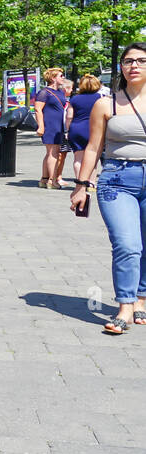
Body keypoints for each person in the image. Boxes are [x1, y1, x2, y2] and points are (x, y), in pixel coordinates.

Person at [70, 44, 146, 335]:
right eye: (128, 61)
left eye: (141, 60)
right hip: (117, 179)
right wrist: (81, 185)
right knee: (128, 244)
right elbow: (93, 147)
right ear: (121, 68)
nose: (134, 66)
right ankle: (125, 307)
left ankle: (141, 299)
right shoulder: (107, 104)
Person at [34, 66, 69, 189]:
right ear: (53, 78)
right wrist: (41, 126)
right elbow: (38, 109)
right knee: (53, 153)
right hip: (50, 125)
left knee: (51, 153)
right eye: (61, 76)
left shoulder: (60, 92)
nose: (63, 77)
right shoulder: (44, 92)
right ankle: (51, 180)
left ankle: (44, 179)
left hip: (59, 125)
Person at [66, 75, 102, 182]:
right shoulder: (101, 97)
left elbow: (69, 116)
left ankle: (80, 181)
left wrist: (67, 130)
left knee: (78, 158)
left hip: (77, 129)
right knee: (93, 158)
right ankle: (91, 182)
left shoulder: (74, 99)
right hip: (94, 129)